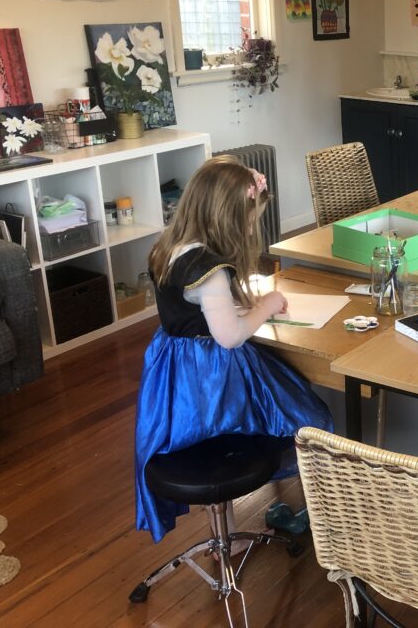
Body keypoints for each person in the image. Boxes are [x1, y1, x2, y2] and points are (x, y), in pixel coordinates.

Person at [134, 156, 333, 542]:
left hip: (171, 377)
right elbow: (229, 337)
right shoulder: (210, 269)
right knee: (308, 415)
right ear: (228, 219)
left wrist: (230, 306)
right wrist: (268, 304)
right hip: (208, 379)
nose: (250, 228)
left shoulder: (168, 246)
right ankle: (328, 509)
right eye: (249, 220)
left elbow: (194, 312)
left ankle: (222, 536)